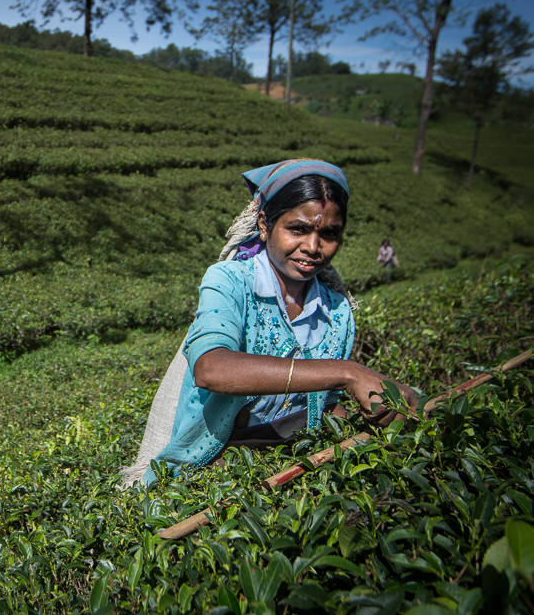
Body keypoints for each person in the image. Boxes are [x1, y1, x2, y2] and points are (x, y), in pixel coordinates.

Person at [140, 159, 417, 486]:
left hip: (285, 467)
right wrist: (348, 372)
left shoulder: (337, 310)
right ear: (264, 225)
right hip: (207, 465)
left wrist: (385, 414)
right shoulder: (230, 282)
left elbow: (325, 407)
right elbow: (211, 369)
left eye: (329, 233)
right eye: (298, 229)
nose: (313, 247)